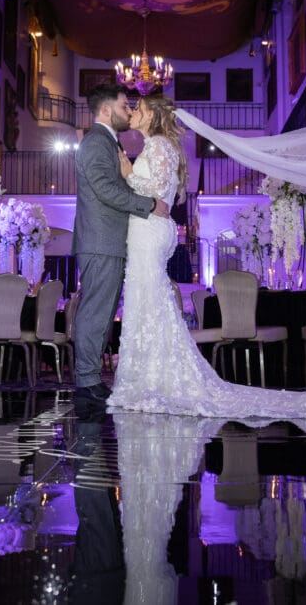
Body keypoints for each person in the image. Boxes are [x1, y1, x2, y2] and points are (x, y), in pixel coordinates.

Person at [108, 95, 306, 420]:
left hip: (150, 231)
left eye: (139, 108)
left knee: (148, 299)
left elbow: (156, 188)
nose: (133, 111)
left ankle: (151, 381)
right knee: (148, 300)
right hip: (149, 230)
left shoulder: (159, 145)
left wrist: (127, 173)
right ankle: (150, 377)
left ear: (153, 116)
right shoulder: (157, 146)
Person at [72, 84, 170, 405]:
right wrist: (148, 204)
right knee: (95, 312)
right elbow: (104, 188)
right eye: (124, 105)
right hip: (100, 241)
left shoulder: (108, 141)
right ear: (105, 110)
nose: (128, 111)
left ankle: (90, 377)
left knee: (103, 314)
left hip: (109, 241)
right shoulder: (96, 142)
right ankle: (86, 380)